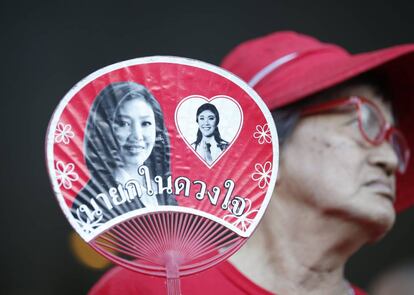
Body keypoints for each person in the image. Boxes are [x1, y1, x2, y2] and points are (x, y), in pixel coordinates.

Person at [88, 32, 414, 295]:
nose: (389, 161)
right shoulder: (146, 289)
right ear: (262, 149)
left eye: (393, 140)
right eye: (366, 121)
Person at [72, 81, 176, 225]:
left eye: (145, 123)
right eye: (123, 123)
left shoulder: (164, 189)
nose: (137, 136)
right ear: (104, 131)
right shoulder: (90, 202)